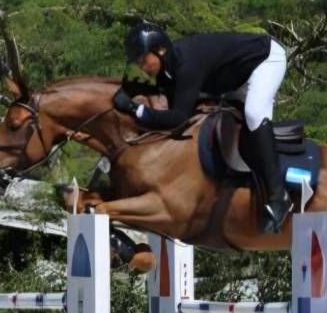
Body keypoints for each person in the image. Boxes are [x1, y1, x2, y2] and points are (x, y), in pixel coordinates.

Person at [112, 22, 293, 233]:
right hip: (236, 78)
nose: (142, 67)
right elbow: (166, 93)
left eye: (143, 60)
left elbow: (178, 118)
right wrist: (133, 89)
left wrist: (136, 110)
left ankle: (279, 196)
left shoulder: (187, 65)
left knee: (253, 114)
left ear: (160, 51)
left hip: (265, 60)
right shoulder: (168, 65)